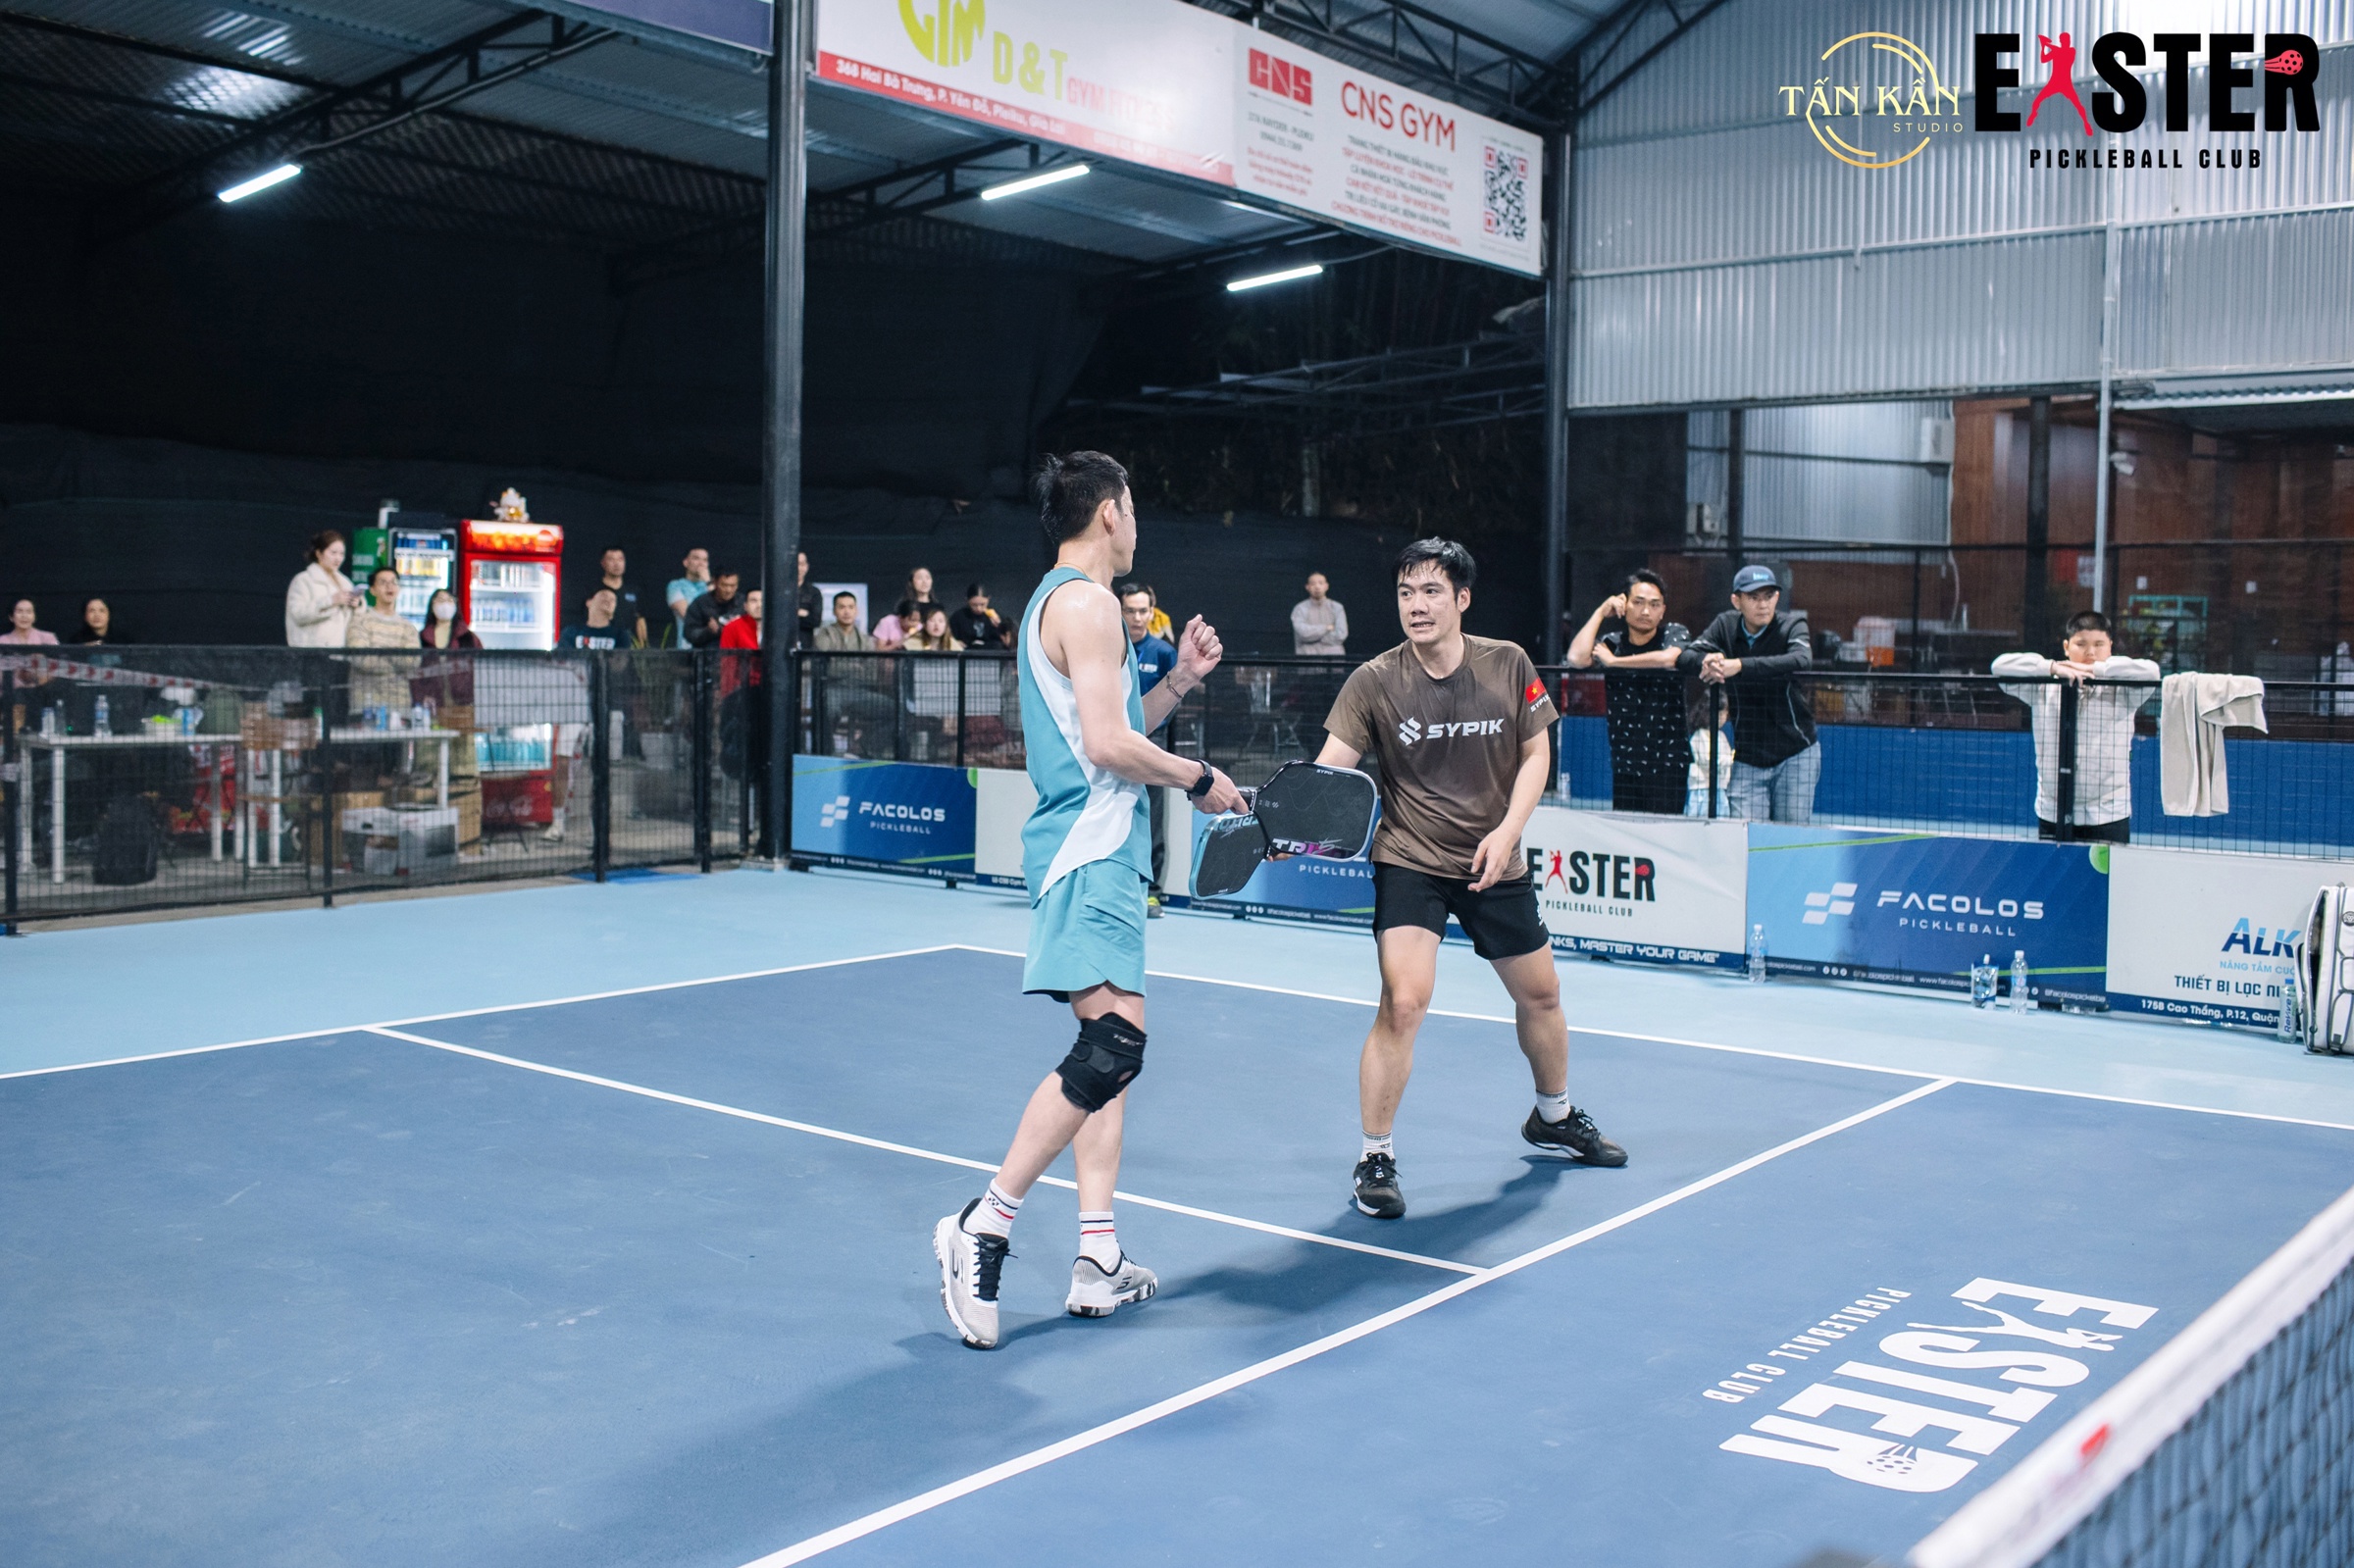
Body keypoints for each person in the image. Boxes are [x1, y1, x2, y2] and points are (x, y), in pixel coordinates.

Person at [933, 450, 1244, 1351]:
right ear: (1110, 512)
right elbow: (1108, 745)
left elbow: (1103, 722)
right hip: (1090, 848)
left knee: (1111, 1055)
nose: (1136, 521)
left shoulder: (1057, 601)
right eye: (1133, 506)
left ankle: (1098, 1254)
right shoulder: (1091, 604)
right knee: (1113, 1045)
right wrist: (1198, 777)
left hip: (1096, 849)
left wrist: (1179, 682)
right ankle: (985, 1222)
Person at [1314, 538, 1626, 1222]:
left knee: (1541, 994)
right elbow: (1330, 770)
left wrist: (1508, 831)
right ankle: (1375, 1157)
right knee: (1404, 1000)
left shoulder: (1507, 663)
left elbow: (1537, 753)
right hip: (1411, 857)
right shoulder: (1373, 680)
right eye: (1406, 592)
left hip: (1494, 856)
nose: (1416, 605)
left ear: (1462, 599)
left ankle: (1553, 1115)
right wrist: (1291, 824)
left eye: (1431, 591)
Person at [1993, 611, 2159, 843]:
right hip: (2053, 812)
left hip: (2108, 815)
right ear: (2066, 647)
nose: (2090, 652)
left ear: (2110, 647)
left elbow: (2151, 672)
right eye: (2081, 644)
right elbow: (1999, 667)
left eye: (2099, 644)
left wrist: (2097, 670)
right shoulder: (2043, 686)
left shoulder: (2124, 690)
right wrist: (2052, 667)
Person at [1678, 565, 1818, 823]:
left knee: (1790, 836)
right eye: (1754, 597)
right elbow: (1687, 657)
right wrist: (1708, 661)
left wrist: (1739, 665)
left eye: (1769, 596)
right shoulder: (1725, 624)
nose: (1763, 604)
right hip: (1748, 757)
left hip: (1796, 753)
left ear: (1777, 597)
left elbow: (1801, 659)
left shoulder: (1792, 625)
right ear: (1737, 601)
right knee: (1745, 835)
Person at [1566, 570, 1691, 815]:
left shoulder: (1674, 633)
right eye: (1638, 602)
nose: (1646, 611)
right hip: (1625, 761)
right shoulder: (1613, 642)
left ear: (1663, 610)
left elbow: (1668, 659)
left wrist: (1615, 663)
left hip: (1668, 762)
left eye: (1654, 605)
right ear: (1624, 605)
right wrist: (1601, 612)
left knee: (1665, 833)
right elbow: (1576, 658)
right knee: (1626, 834)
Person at [286, 530, 363, 647]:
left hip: (340, 649)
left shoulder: (345, 582)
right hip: (311, 650)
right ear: (319, 553)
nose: (338, 558)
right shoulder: (304, 580)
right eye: (333, 553)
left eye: (341, 554)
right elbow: (298, 614)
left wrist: (357, 604)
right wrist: (331, 601)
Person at [1119, 583, 1177, 693]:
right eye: (1130, 611)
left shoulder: (1164, 652)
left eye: (1143, 611)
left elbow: (1175, 695)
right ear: (1120, 612)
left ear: (1151, 613)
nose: (1137, 618)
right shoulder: (1108, 649)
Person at [596, 548, 645, 649]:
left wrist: (642, 648)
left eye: (620, 559)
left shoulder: (634, 591)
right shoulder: (595, 590)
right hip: (602, 645)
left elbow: (640, 620)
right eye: (611, 559)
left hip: (628, 647)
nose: (616, 564)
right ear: (603, 563)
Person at [1292, 572, 1349, 657]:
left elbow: (1341, 635)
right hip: (1307, 658)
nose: (1317, 587)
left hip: (1333, 659)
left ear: (1326, 586)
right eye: (1313, 584)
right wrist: (1326, 628)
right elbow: (1302, 633)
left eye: (1321, 583)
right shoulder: (1300, 609)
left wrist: (1313, 638)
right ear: (1307, 587)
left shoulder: (1337, 607)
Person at [682, 571, 743, 648]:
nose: (728, 590)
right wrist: (708, 631)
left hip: (739, 653)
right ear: (715, 583)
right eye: (724, 585)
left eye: (733, 586)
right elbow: (689, 634)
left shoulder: (743, 603)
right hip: (708, 652)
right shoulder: (700, 603)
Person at [665, 547, 711, 647]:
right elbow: (689, 617)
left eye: (705, 560)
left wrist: (708, 582)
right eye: (696, 558)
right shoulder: (676, 585)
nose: (701, 563)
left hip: (712, 648)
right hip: (687, 648)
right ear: (686, 562)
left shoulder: (711, 587)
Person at [559, 586, 627, 650]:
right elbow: (563, 656)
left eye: (613, 600)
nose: (608, 600)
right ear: (589, 602)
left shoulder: (620, 635)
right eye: (604, 595)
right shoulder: (571, 632)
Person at [949, 583, 1010, 649]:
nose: (978, 608)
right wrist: (955, 642)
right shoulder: (958, 617)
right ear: (967, 600)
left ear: (988, 599)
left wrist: (1000, 627)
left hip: (991, 651)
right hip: (967, 651)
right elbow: (949, 637)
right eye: (974, 605)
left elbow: (1008, 640)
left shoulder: (996, 616)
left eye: (982, 604)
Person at [794, 551, 822, 648]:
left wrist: (792, 613)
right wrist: (802, 613)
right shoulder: (778, 591)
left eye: (801, 564)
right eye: (795, 564)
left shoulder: (814, 592)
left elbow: (815, 621)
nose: (798, 568)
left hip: (805, 645)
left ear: (807, 567)